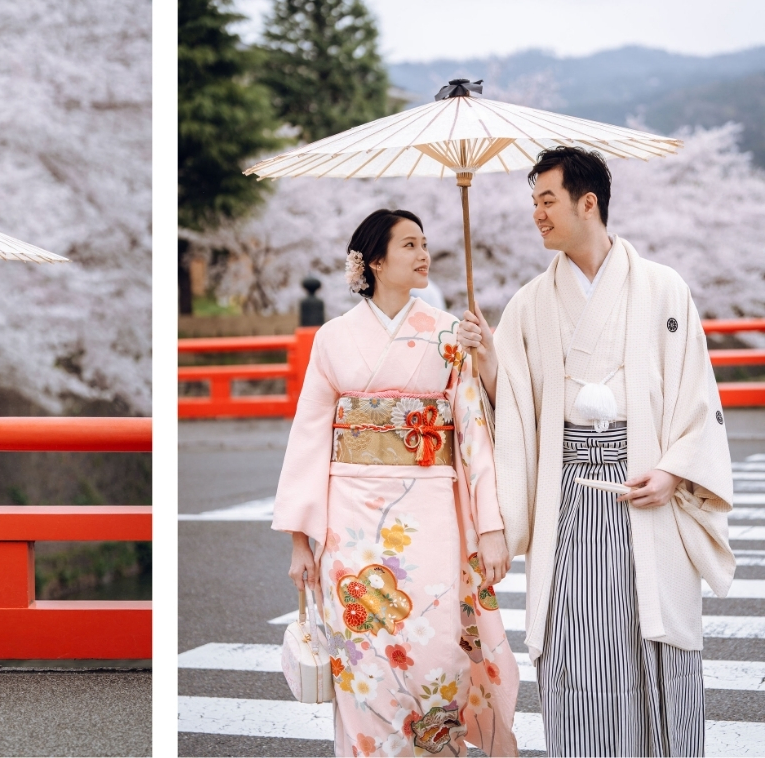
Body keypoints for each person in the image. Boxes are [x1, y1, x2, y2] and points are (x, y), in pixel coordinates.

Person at [458, 146, 734, 755]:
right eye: (533, 203)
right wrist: (488, 361)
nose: (537, 214)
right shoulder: (531, 302)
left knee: (653, 636)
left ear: (589, 203)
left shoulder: (663, 288)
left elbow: (696, 394)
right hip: (571, 494)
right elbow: (519, 405)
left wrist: (673, 472)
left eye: (548, 200)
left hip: (648, 492)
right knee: (577, 644)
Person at [273, 209, 518, 757]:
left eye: (426, 243)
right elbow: (310, 437)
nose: (424, 253)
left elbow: (473, 433)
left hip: (431, 512)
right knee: (363, 660)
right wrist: (299, 541)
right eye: (409, 245)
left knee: (437, 655)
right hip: (350, 523)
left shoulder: (452, 333)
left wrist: (491, 528)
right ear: (375, 261)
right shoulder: (334, 339)